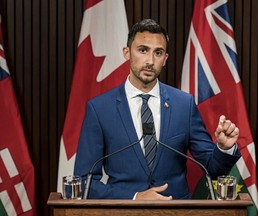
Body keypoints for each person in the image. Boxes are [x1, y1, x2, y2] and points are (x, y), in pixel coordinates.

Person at [74, 19, 241, 200]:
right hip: (124, 212)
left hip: (176, 212)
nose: (150, 61)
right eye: (143, 50)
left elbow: (213, 170)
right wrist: (135, 197)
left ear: (165, 59)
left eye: (158, 53)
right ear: (127, 53)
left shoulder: (184, 105)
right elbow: (85, 183)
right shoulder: (100, 109)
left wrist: (224, 148)